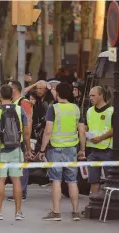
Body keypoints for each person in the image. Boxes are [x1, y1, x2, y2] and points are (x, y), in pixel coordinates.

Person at [38, 82, 86, 221]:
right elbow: (82, 131)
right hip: (72, 148)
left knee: (56, 181)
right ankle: (75, 212)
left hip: (55, 148)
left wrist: (42, 149)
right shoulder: (76, 109)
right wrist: (82, 149)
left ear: (57, 93)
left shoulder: (54, 109)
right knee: (72, 181)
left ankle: (56, 212)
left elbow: (48, 131)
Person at [0, 85, 32, 221]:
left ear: (0, 96)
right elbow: (26, 132)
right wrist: (28, 149)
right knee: (16, 180)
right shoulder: (19, 110)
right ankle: (18, 212)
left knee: (0, 180)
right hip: (16, 149)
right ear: (12, 96)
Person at [82, 86, 113, 195]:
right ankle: (94, 204)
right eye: (89, 95)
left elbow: (115, 129)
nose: (90, 97)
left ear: (101, 95)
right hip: (92, 151)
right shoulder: (89, 111)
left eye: (93, 95)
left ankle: (108, 205)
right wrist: (84, 133)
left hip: (107, 151)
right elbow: (86, 127)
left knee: (110, 180)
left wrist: (100, 138)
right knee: (93, 180)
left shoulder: (111, 111)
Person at [7, 80, 33, 201]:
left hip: (21, 140)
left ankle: (21, 192)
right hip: (14, 139)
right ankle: (19, 191)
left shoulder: (24, 103)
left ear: (14, 90)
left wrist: (28, 144)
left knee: (22, 167)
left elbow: (28, 123)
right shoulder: (14, 102)